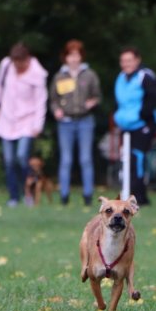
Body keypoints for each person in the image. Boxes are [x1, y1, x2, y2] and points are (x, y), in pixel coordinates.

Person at [0, 42, 48, 207]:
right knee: (8, 160)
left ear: (27, 60)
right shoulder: (6, 65)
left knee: (22, 157)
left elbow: (40, 101)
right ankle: (13, 196)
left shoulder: (37, 73)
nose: (17, 66)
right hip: (6, 119)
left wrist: (38, 125)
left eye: (20, 63)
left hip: (27, 122)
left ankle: (27, 192)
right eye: (15, 63)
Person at [49, 39, 101, 206]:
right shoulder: (59, 76)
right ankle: (64, 196)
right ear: (65, 57)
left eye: (77, 55)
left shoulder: (90, 75)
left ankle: (88, 196)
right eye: (70, 55)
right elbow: (53, 99)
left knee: (85, 159)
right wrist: (56, 110)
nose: (74, 59)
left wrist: (92, 103)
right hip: (65, 122)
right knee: (66, 160)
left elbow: (97, 96)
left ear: (81, 57)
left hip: (85, 120)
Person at [113, 46, 156, 206]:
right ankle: (131, 195)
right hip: (126, 126)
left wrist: (141, 116)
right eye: (123, 61)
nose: (126, 63)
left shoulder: (145, 76)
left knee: (136, 158)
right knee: (126, 159)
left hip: (143, 124)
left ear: (137, 60)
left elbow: (153, 98)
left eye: (129, 60)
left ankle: (139, 197)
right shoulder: (120, 77)